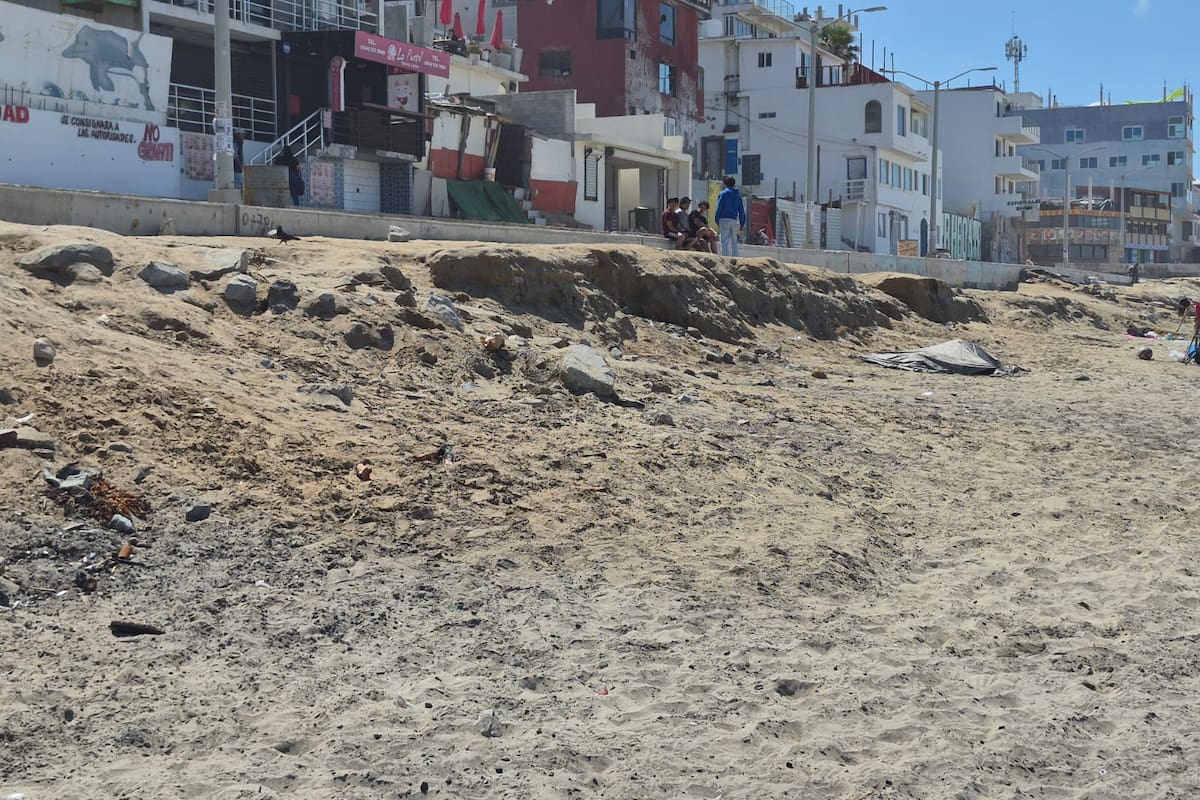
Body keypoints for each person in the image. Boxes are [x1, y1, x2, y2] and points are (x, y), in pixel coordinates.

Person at [714, 176, 746, 257]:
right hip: (734, 220)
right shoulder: (738, 196)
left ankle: (725, 257)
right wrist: (742, 224)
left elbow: (719, 208)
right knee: (734, 240)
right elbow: (741, 211)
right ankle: (736, 257)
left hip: (724, 219)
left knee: (724, 240)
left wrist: (717, 219)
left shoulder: (723, 194)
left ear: (725, 184)